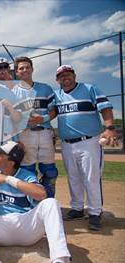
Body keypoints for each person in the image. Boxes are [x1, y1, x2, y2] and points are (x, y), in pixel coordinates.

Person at [0, 141, 72, 263]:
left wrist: (7, 179)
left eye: (0, 154)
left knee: (51, 203)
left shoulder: (26, 175)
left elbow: (41, 194)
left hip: (25, 227)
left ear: (11, 162)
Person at [49, 65, 118, 231]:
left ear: (74, 75)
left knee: (91, 177)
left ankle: (95, 212)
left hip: (89, 141)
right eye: (61, 76)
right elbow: (50, 113)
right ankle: (77, 208)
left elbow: (105, 108)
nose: (65, 77)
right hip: (67, 143)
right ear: (57, 80)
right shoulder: (57, 96)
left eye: (68, 74)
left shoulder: (89, 89)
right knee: (73, 177)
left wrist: (109, 127)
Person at [12, 56, 58, 198]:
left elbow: (54, 110)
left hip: (44, 132)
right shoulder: (13, 92)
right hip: (25, 134)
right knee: (27, 169)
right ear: (16, 72)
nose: (25, 70)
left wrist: (42, 118)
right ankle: (31, 203)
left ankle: (49, 202)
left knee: (49, 171)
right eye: (21, 68)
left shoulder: (45, 88)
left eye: (27, 67)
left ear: (32, 69)